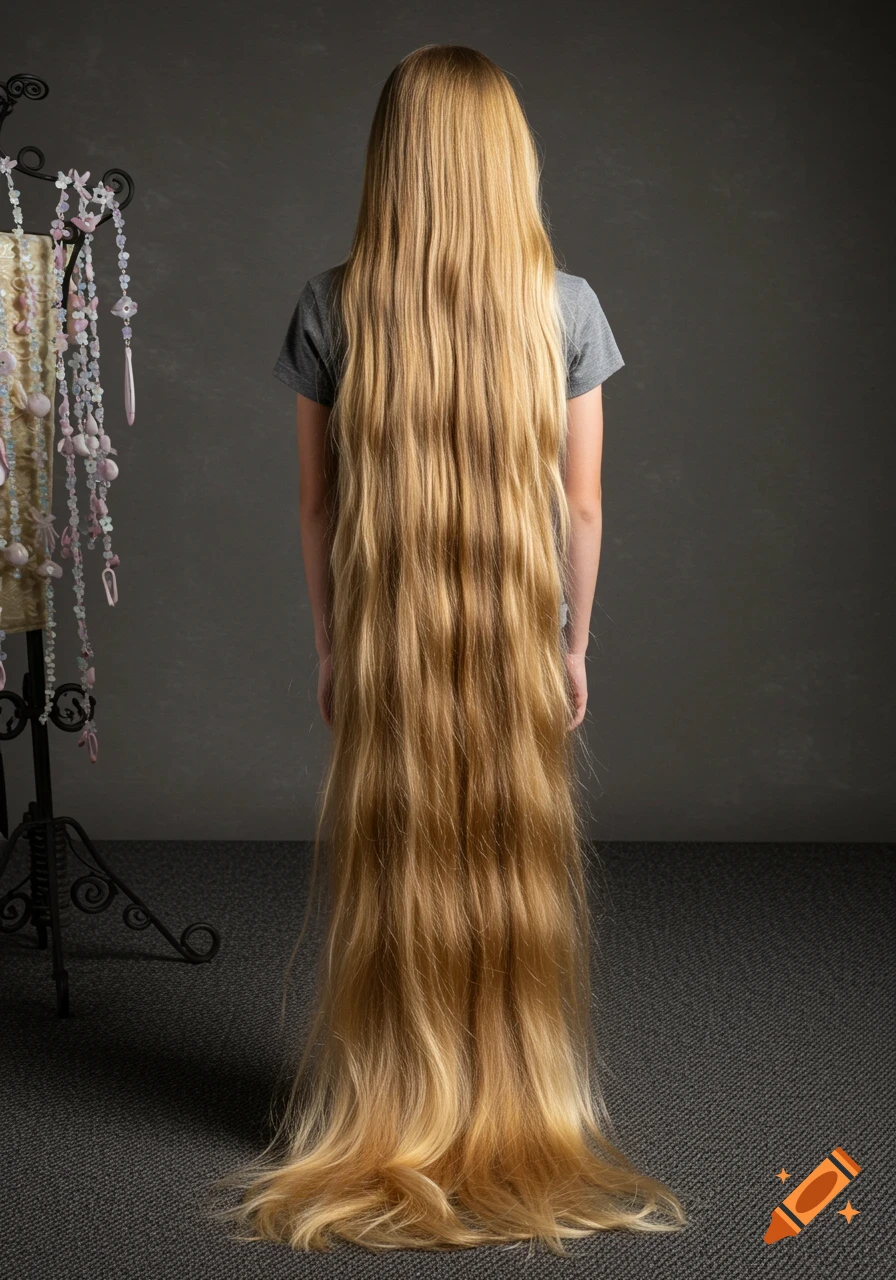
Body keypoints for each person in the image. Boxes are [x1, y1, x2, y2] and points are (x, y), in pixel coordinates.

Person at [213, 43, 687, 1254]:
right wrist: (572, 645)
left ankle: (394, 1109)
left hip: (389, 646)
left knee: (399, 880)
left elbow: (318, 509)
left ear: (393, 162)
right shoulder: (567, 306)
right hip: (516, 636)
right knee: (511, 878)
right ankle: (518, 1108)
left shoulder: (334, 303)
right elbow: (581, 508)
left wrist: (332, 649)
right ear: (505, 161)